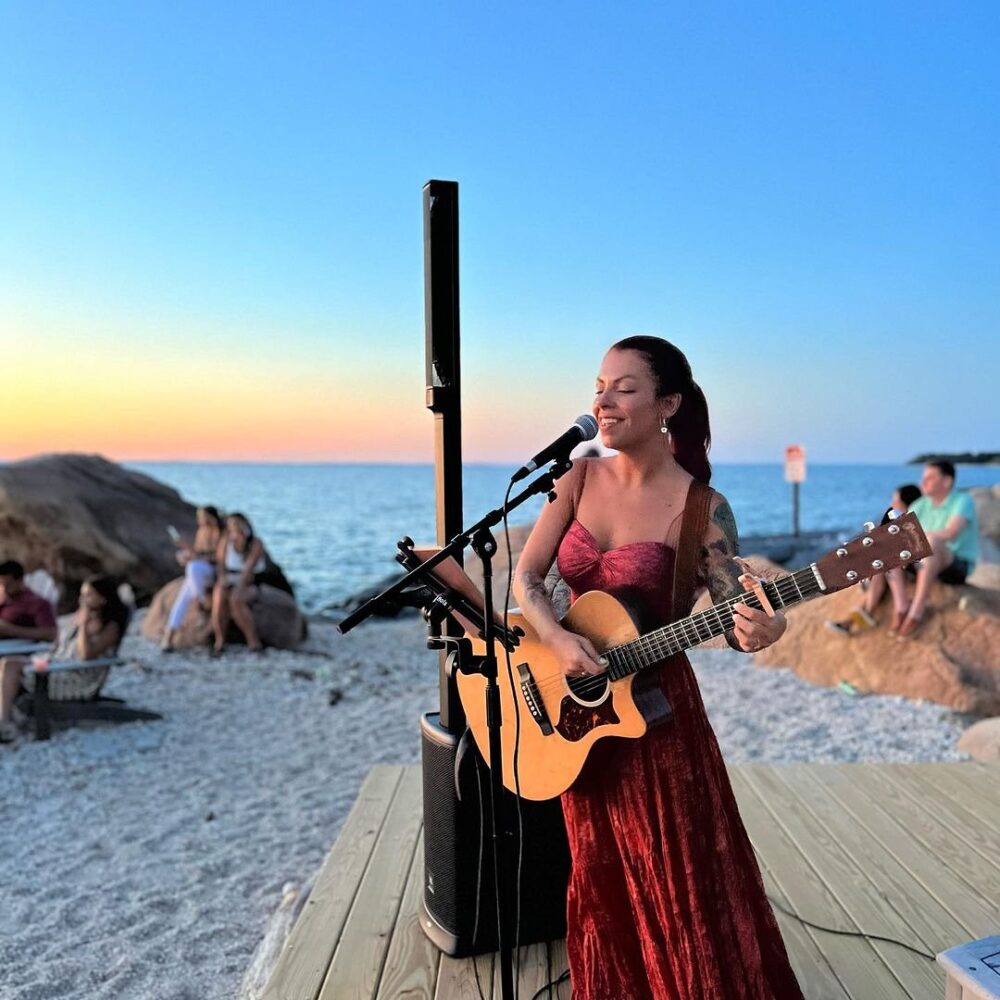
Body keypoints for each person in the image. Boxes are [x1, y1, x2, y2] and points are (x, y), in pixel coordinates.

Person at [513, 336, 802, 1000]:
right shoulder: (577, 476)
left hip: (657, 719)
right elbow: (528, 581)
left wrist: (766, 627)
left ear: (667, 403)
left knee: (677, 881)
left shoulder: (703, 508)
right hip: (577, 709)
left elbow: (738, 613)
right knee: (598, 875)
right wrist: (556, 640)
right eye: (599, 386)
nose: (603, 401)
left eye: (624, 387)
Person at [1, 572, 126, 743]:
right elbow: (59, 645)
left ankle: (5, 721)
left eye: (88, 595)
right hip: (59, 666)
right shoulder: (82, 616)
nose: (82, 599)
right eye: (82, 594)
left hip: (77, 680)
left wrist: (83, 626)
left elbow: (86, 655)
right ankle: (8, 717)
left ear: (103, 599)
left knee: (11, 667)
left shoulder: (110, 627)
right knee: (8, 663)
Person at [895, 460, 979, 639]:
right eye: (923, 477)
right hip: (923, 563)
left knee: (932, 542)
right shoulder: (919, 505)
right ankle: (901, 607)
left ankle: (916, 613)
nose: (923, 482)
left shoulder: (962, 500)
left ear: (947, 481)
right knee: (891, 547)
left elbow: (951, 533)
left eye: (930, 477)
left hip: (955, 565)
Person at [825, 483, 922, 636]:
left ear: (905, 502)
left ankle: (865, 614)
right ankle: (857, 617)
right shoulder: (898, 519)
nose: (892, 503)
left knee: (883, 563)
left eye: (895, 499)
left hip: (909, 566)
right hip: (895, 567)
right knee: (880, 565)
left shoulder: (914, 519)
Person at [161, 505, 224, 652]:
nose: (200, 520)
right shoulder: (201, 532)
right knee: (183, 595)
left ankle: (199, 602)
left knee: (193, 568)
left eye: (203, 517)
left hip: (214, 571)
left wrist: (195, 558)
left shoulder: (220, 532)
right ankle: (168, 637)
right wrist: (186, 550)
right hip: (200, 570)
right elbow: (198, 552)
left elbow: (218, 557)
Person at [211, 513, 269, 656]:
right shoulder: (226, 542)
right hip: (230, 578)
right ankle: (219, 641)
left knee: (236, 600)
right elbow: (220, 566)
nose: (235, 527)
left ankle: (253, 642)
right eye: (231, 524)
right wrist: (223, 581)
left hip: (250, 580)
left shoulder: (256, 543)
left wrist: (239, 584)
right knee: (219, 596)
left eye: (238, 523)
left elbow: (249, 569)